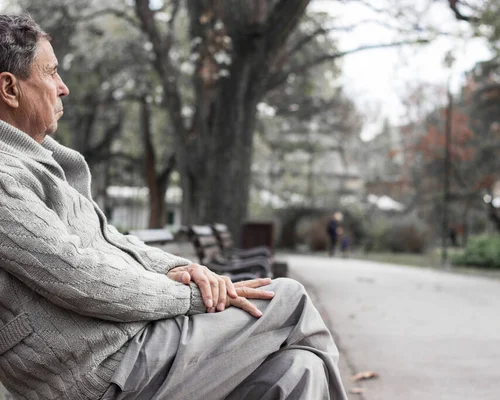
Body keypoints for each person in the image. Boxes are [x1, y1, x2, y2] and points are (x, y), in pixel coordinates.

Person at [0, 14, 346, 400]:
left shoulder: (37, 161)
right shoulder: (4, 175)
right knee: (289, 300)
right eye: (51, 74)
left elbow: (110, 240)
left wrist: (181, 267)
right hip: (104, 367)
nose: (63, 88)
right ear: (9, 89)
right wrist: (193, 296)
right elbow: (76, 273)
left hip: (127, 346)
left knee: (298, 370)